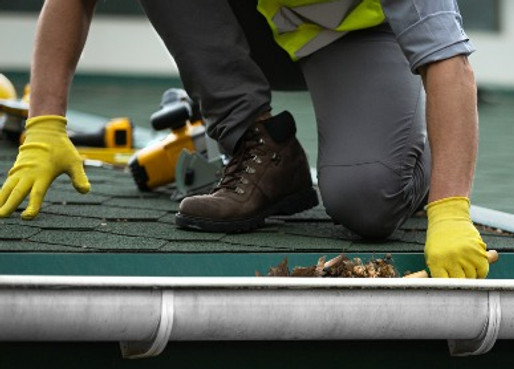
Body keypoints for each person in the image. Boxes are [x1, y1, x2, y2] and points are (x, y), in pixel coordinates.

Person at [0, 0, 489, 279]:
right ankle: (258, 143)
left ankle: (415, 166)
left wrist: (449, 207)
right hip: (251, 22)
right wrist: (45, 125)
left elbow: (449, 64)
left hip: (353, 38)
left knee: (367, 203)